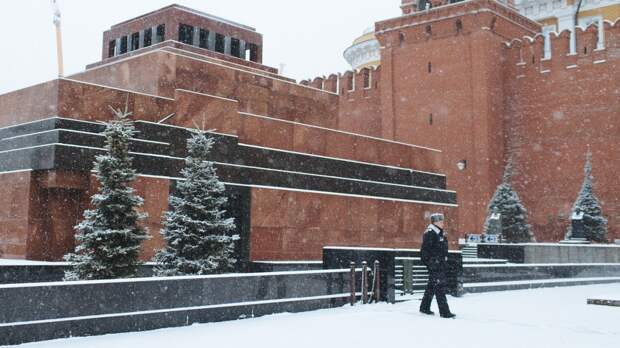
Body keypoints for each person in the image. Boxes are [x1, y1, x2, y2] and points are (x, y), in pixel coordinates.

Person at [419, 213, 456, 318]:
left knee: (431, 286)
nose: (443, 223)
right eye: (441, 221)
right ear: (435, 222)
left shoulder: (439, 233)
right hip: (435, 265)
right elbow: (424, 251)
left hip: (439, 264)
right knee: (439, 287)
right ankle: (444, 312)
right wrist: (431, 263)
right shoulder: (430, 233)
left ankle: (424, 307)